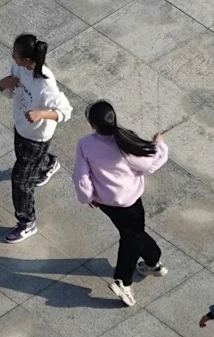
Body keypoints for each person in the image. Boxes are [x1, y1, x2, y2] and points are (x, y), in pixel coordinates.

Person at [73, 101, 170, 307]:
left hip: (105, 202)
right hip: (130, 202)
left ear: (92, 125)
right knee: (132, 237)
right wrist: (159, 144)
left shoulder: (85, 144)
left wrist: (88, 197)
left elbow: (82, 177)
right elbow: (151, 163)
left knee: (132, 234)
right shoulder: (125, 141)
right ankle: (124, 281)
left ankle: (154, 262)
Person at [0, 33, 73, 243]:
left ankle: (26, 222)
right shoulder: (19, 68)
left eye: (16, 56)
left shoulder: (46, 83)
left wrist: (42, 114)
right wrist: (3, 84)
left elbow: (66, 111)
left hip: (36, 138)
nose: (13, 58)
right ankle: (48, 163)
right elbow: (11, 92)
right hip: (21, 129)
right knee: (25, 162)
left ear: (28, 59)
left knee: (21, 182)